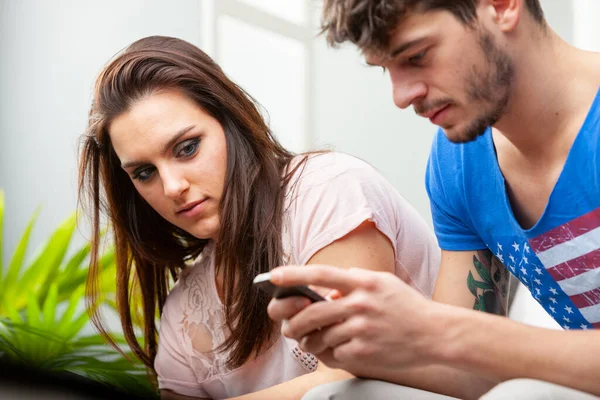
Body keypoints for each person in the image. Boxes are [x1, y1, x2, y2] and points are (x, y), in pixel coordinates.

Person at [267, 0, 600, 399]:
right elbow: (470, 369)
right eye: (386, 70)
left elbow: (456, 337)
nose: (402, 95)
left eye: (417, 56)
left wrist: (436, 327)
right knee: (338, 395)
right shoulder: (458, 162)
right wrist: (363, 346)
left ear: (501, 6)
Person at [77, 35, 441, 399]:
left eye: (187, 148)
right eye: (144, 173)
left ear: (231, 123)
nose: (172, 187)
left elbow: (347, 381)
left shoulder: (327, 190)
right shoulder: (184, 310)